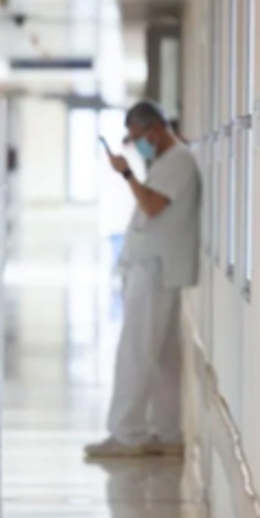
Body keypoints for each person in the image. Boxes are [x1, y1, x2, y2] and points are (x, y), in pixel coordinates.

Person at [86, 100, 202, 459]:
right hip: (157, 267)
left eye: (137, 137)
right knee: (163, 356)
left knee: (135, 352)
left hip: (155, 269)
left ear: (154, 129)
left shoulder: (178, 160)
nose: (136, 144)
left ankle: (128, 433)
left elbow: (152, 206)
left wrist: (126, 173)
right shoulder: (170, 160)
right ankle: (166, 431)